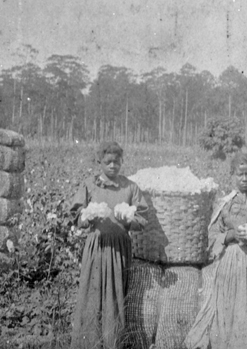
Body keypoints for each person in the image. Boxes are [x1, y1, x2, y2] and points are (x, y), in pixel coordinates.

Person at [184, 152, 247, 349]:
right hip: (231, 265)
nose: (245, 178)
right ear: (232, 175)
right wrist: (231, 236)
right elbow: (212, 237)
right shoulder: (225, 205)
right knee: (228, 312)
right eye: (240, 174)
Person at [69, 141, 149, 349]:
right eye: (108, 162)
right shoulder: (90, 185)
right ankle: (90, 342)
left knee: (116, 294)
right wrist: (86, 217)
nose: (113, 166)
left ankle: (113, 341)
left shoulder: (130, 187)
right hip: (97, 245)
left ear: (122, 162)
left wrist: (128, 220)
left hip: (120, 248)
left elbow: (142, 219)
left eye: (117, 162)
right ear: (100, 163)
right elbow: (76, 215)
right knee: (93, 292)